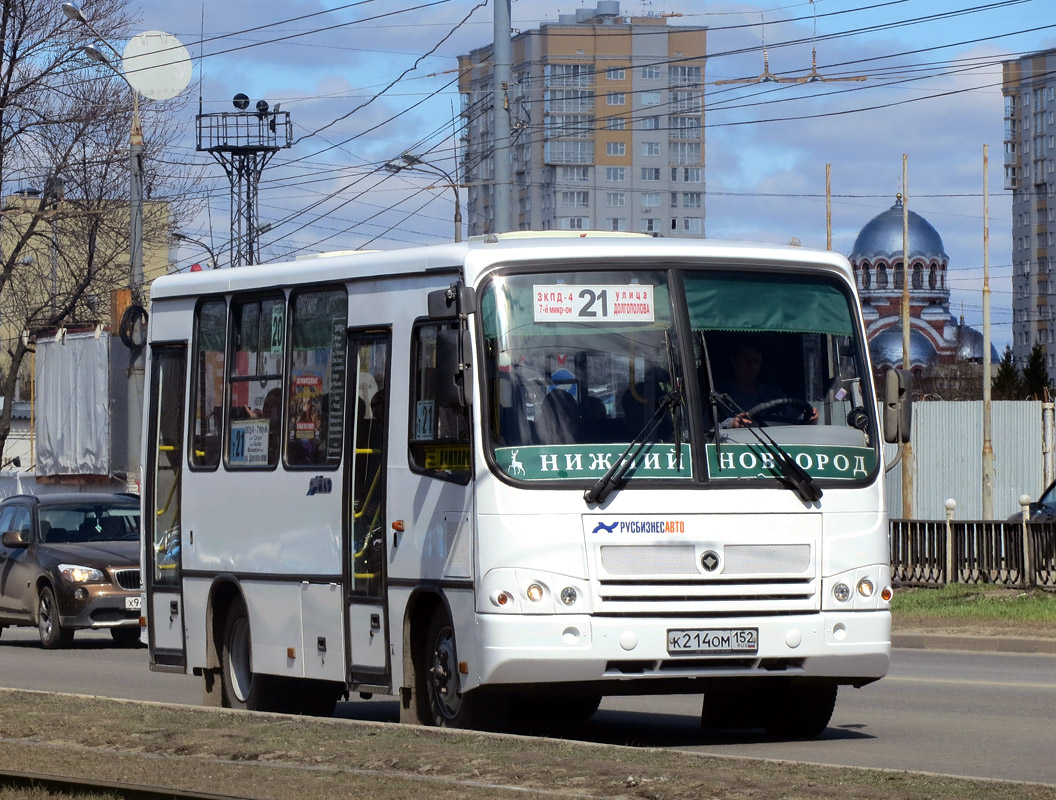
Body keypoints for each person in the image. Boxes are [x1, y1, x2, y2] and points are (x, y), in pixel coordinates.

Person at [719, 341, 817, 428]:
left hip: (776, 446)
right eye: (746, 360)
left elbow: (793, 418)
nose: (751, 366)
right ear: (733, 361)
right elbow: (708, 431)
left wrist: (809, 416)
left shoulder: (773, 393)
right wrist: (731, 423)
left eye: (756, 361)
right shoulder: (720, 395)